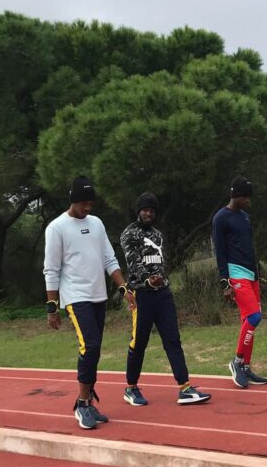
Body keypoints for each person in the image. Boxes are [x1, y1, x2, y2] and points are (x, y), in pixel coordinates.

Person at [43, 175, 127, 431]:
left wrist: (123, 287)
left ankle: (89, 401)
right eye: (83, 204)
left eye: (90, 203)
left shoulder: (97, 223)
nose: (87, 208)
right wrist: (52, 307)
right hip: (75, 297)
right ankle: (81, 404)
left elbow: (109, 259)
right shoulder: (57, 228)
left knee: (95, 350)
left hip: (97, 295)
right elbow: (51, 270)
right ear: (73, 200)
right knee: (89, 346)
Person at [119, 191, 211, 407]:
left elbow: (161, 262)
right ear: (138, 211)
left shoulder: (158, 234)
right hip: (142, 295)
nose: (149, 213)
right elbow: (133, 263)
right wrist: (147, 279)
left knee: (172, 339)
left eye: (152, 210)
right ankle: (131, 387)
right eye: (145, 210)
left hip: (163, 294)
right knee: (139, 342)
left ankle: (185, 388)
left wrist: (161, 280)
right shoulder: (129, 234)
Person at [212, 176, 267, 389]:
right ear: (236, 195)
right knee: (255, 317)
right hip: (236, 274)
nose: (248, 201)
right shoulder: (221, 218)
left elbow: (248, 247)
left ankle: (246, 366)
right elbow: (220, 252)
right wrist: (225, 282)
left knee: (248, 320)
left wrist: (257, 273)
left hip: (251, 274)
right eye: (245, 197)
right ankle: (236, 362)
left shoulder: (245, 217)